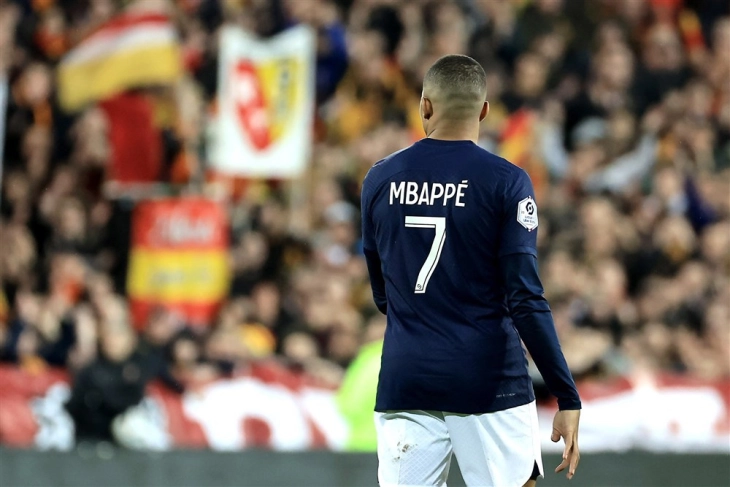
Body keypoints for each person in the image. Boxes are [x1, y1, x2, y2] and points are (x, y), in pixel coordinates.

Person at [361, 54, 582, 487]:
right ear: (484, 111)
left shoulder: (380, 178)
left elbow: (382, 293)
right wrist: (565, 392)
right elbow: (525, 299)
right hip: (489, 379)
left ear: (425, 106)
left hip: (408, 377)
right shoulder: (506, 181)